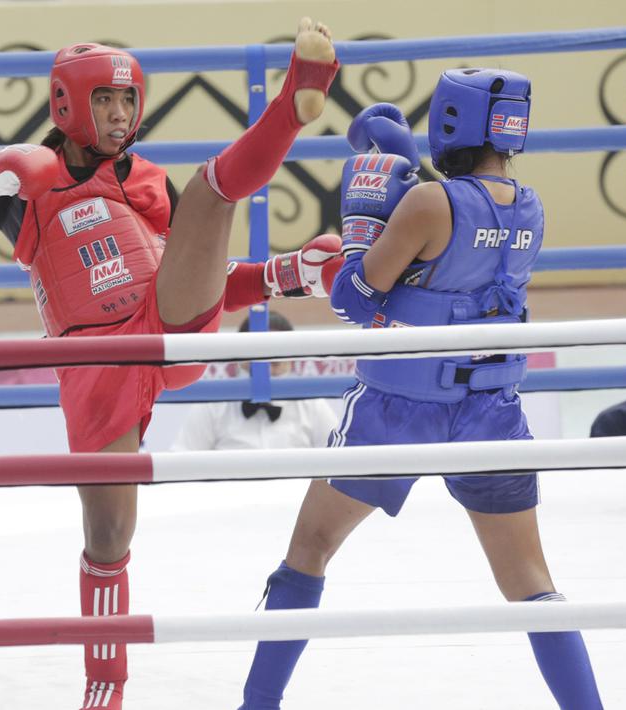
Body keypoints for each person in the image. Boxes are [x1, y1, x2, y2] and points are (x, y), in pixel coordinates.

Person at [0, 18, 342, 709]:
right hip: (93, 361)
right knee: (107, 536)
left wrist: (260, 279)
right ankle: (105, 687)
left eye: (128, 102)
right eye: (104, 99)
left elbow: (194, 271)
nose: (119, 115)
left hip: (161, 327)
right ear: (69, 104)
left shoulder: (149, 182)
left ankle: (290, 104)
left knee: (210, 193)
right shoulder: (24, 183)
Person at [237, 71, 605, 709]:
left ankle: (256, 706)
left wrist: (360, 221)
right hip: (491, 412)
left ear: (452, 120)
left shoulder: (429, 204)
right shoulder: (530, 207)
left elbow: (354, 299)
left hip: (396, 410)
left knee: (309, 549)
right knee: (530, 582)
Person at [171, 311, 336, 452]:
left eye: (276, 362)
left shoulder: (313, 405)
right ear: (238, 358)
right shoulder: (212, 405)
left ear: (291, 361)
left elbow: (337, 464)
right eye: (256, 361)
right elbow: (180, 459)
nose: (267, 371)